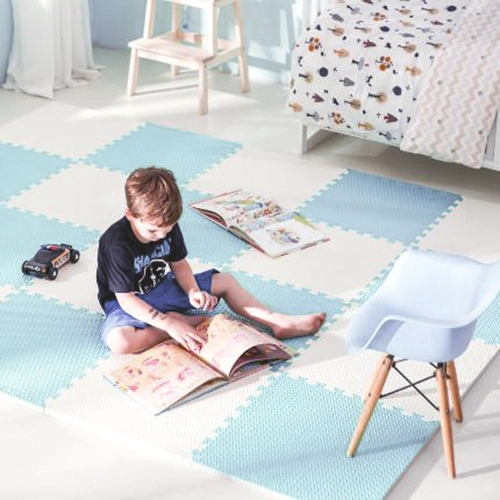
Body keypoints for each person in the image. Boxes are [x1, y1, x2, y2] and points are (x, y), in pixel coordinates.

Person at [96, 167, 326, 354]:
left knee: (225, 280)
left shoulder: (166, 226)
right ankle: (181, 324)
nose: (162, 236)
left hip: (162, 289)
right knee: (120, 343)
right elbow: (126, 299)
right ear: (130, 215)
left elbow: (179, 264)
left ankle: (276, 321)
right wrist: (169, 324)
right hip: (125, 303)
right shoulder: (116, 244)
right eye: (153, 231)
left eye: (168, 229)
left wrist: (193, 292)